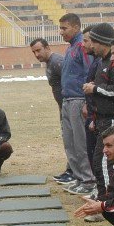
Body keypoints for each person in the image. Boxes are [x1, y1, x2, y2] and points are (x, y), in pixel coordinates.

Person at [82, 23, 114, 200]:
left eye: (93, 41)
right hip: (103, 118)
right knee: (100, 161)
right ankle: (104, 194)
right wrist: (95, 115)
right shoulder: (101, 62)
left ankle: (105, 199)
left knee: (104, 161)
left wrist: (95, 89)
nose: (90, 45)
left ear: (102, 42)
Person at [58, 13, 95, 195]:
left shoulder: (82, 46)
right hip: (67, 100)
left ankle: (89, 180)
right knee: (70, 143)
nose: (61, 32)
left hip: (78, 100)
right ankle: (79, 178)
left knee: (81, 143)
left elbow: (89, 73)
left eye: (64, 28)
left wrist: (88, 102)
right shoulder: (70, 48)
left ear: (76, 27)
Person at [29, 37, 70, 183]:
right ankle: (71, 170)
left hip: (69, 106)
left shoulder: (57, 62)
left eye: (39, 50)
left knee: (72, 141)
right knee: (68, 140)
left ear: (47, 48)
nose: (36, 54)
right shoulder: (49, 63)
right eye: (34, 52)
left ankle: (74, 172)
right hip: (64, 107)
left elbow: (70, 82)